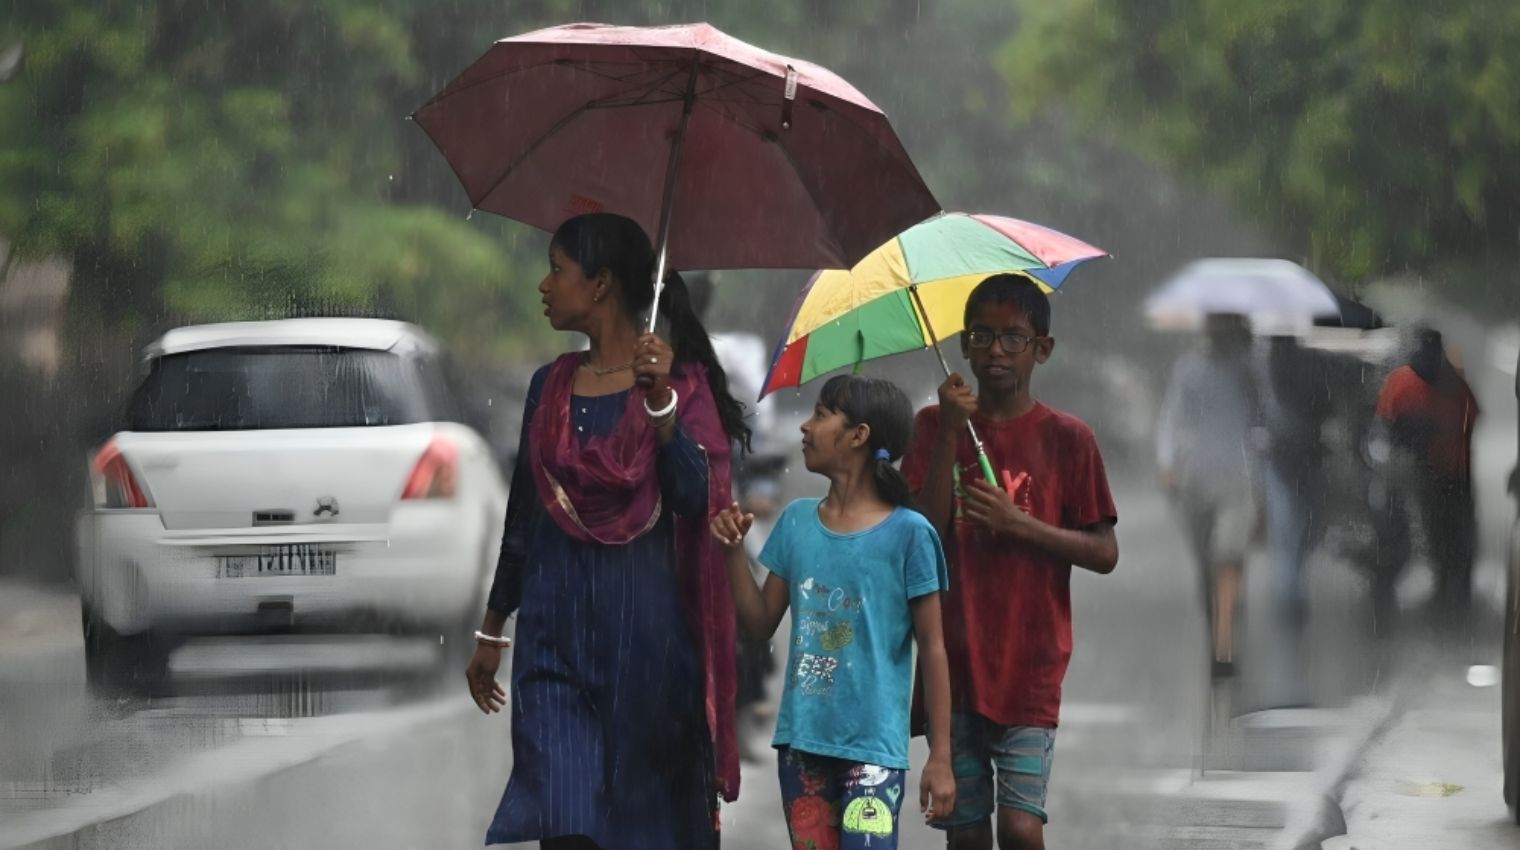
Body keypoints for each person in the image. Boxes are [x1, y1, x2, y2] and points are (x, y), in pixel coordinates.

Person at [465, 213, 750, 850]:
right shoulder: (550, 387)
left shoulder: (677, 388)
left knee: (639, 832)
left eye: (556, 271)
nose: (543, 286)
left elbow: (694, 497)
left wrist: (660, 408)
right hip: (552, 640)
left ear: (599, 285)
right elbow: (524, 515)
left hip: (643, 646)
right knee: (567, 826)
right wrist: (493, 626)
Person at [904, 274, 1119, 850]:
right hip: (954, 663)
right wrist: (950, 429)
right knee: (967, 831)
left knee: (1021, 827)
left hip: (1031, 662)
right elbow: (919, 531)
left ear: (1041, 349)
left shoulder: (1069, 440)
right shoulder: (933, 426)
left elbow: (1104, 552)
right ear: (965, 345)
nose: (994, 351)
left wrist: (1018, 524)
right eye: (980, 336)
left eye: (1012, 338)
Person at [712, 374, 957, 850]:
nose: (805, 427)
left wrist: (940, 756)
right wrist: (732, 553)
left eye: (821, 415)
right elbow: (760, 622)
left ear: (859, 435)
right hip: (802, 747)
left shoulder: (911, 534)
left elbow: (933, 647)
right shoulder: (798, 522)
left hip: (874, 752)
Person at [685, 273, 786, 760]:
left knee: (747, 619)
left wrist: (753, 497)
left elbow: (754, 446)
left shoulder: (717, 369)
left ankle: (743, 712)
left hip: (724, 519)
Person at [1155, 312, 1260, 679]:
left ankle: (1224, 647)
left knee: (1227, 557)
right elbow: (1172, 416)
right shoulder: (1188, 369)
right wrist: (1168, 462)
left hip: (1238, 479)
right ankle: (1219, 622)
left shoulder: (1250, 369)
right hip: (1194, 481)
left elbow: (1264, 417)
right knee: (1206, 568)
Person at [1374, 326, 1479, 624]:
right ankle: (1448, 597)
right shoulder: (1403, 383)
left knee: (1452, 539)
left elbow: (1469, 421)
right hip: (1431, 475)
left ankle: (1453, 597)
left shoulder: (1438, 384)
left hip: (1450, 474)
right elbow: (1386, 429)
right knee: (1442, 538)